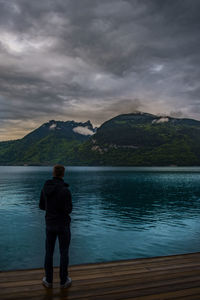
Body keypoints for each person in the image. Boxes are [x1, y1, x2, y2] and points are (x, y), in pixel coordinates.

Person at [39, 164, 72, 288]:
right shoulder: (65, 190)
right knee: (64, 252)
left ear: (53, 173)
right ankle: (64, 281)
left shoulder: (45, 188)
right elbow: (69, 210)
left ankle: (48, 280)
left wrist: (51, 208)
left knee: (49, 252)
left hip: (50, 224)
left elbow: (42, 206)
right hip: (63, 225)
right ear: (63, 174)